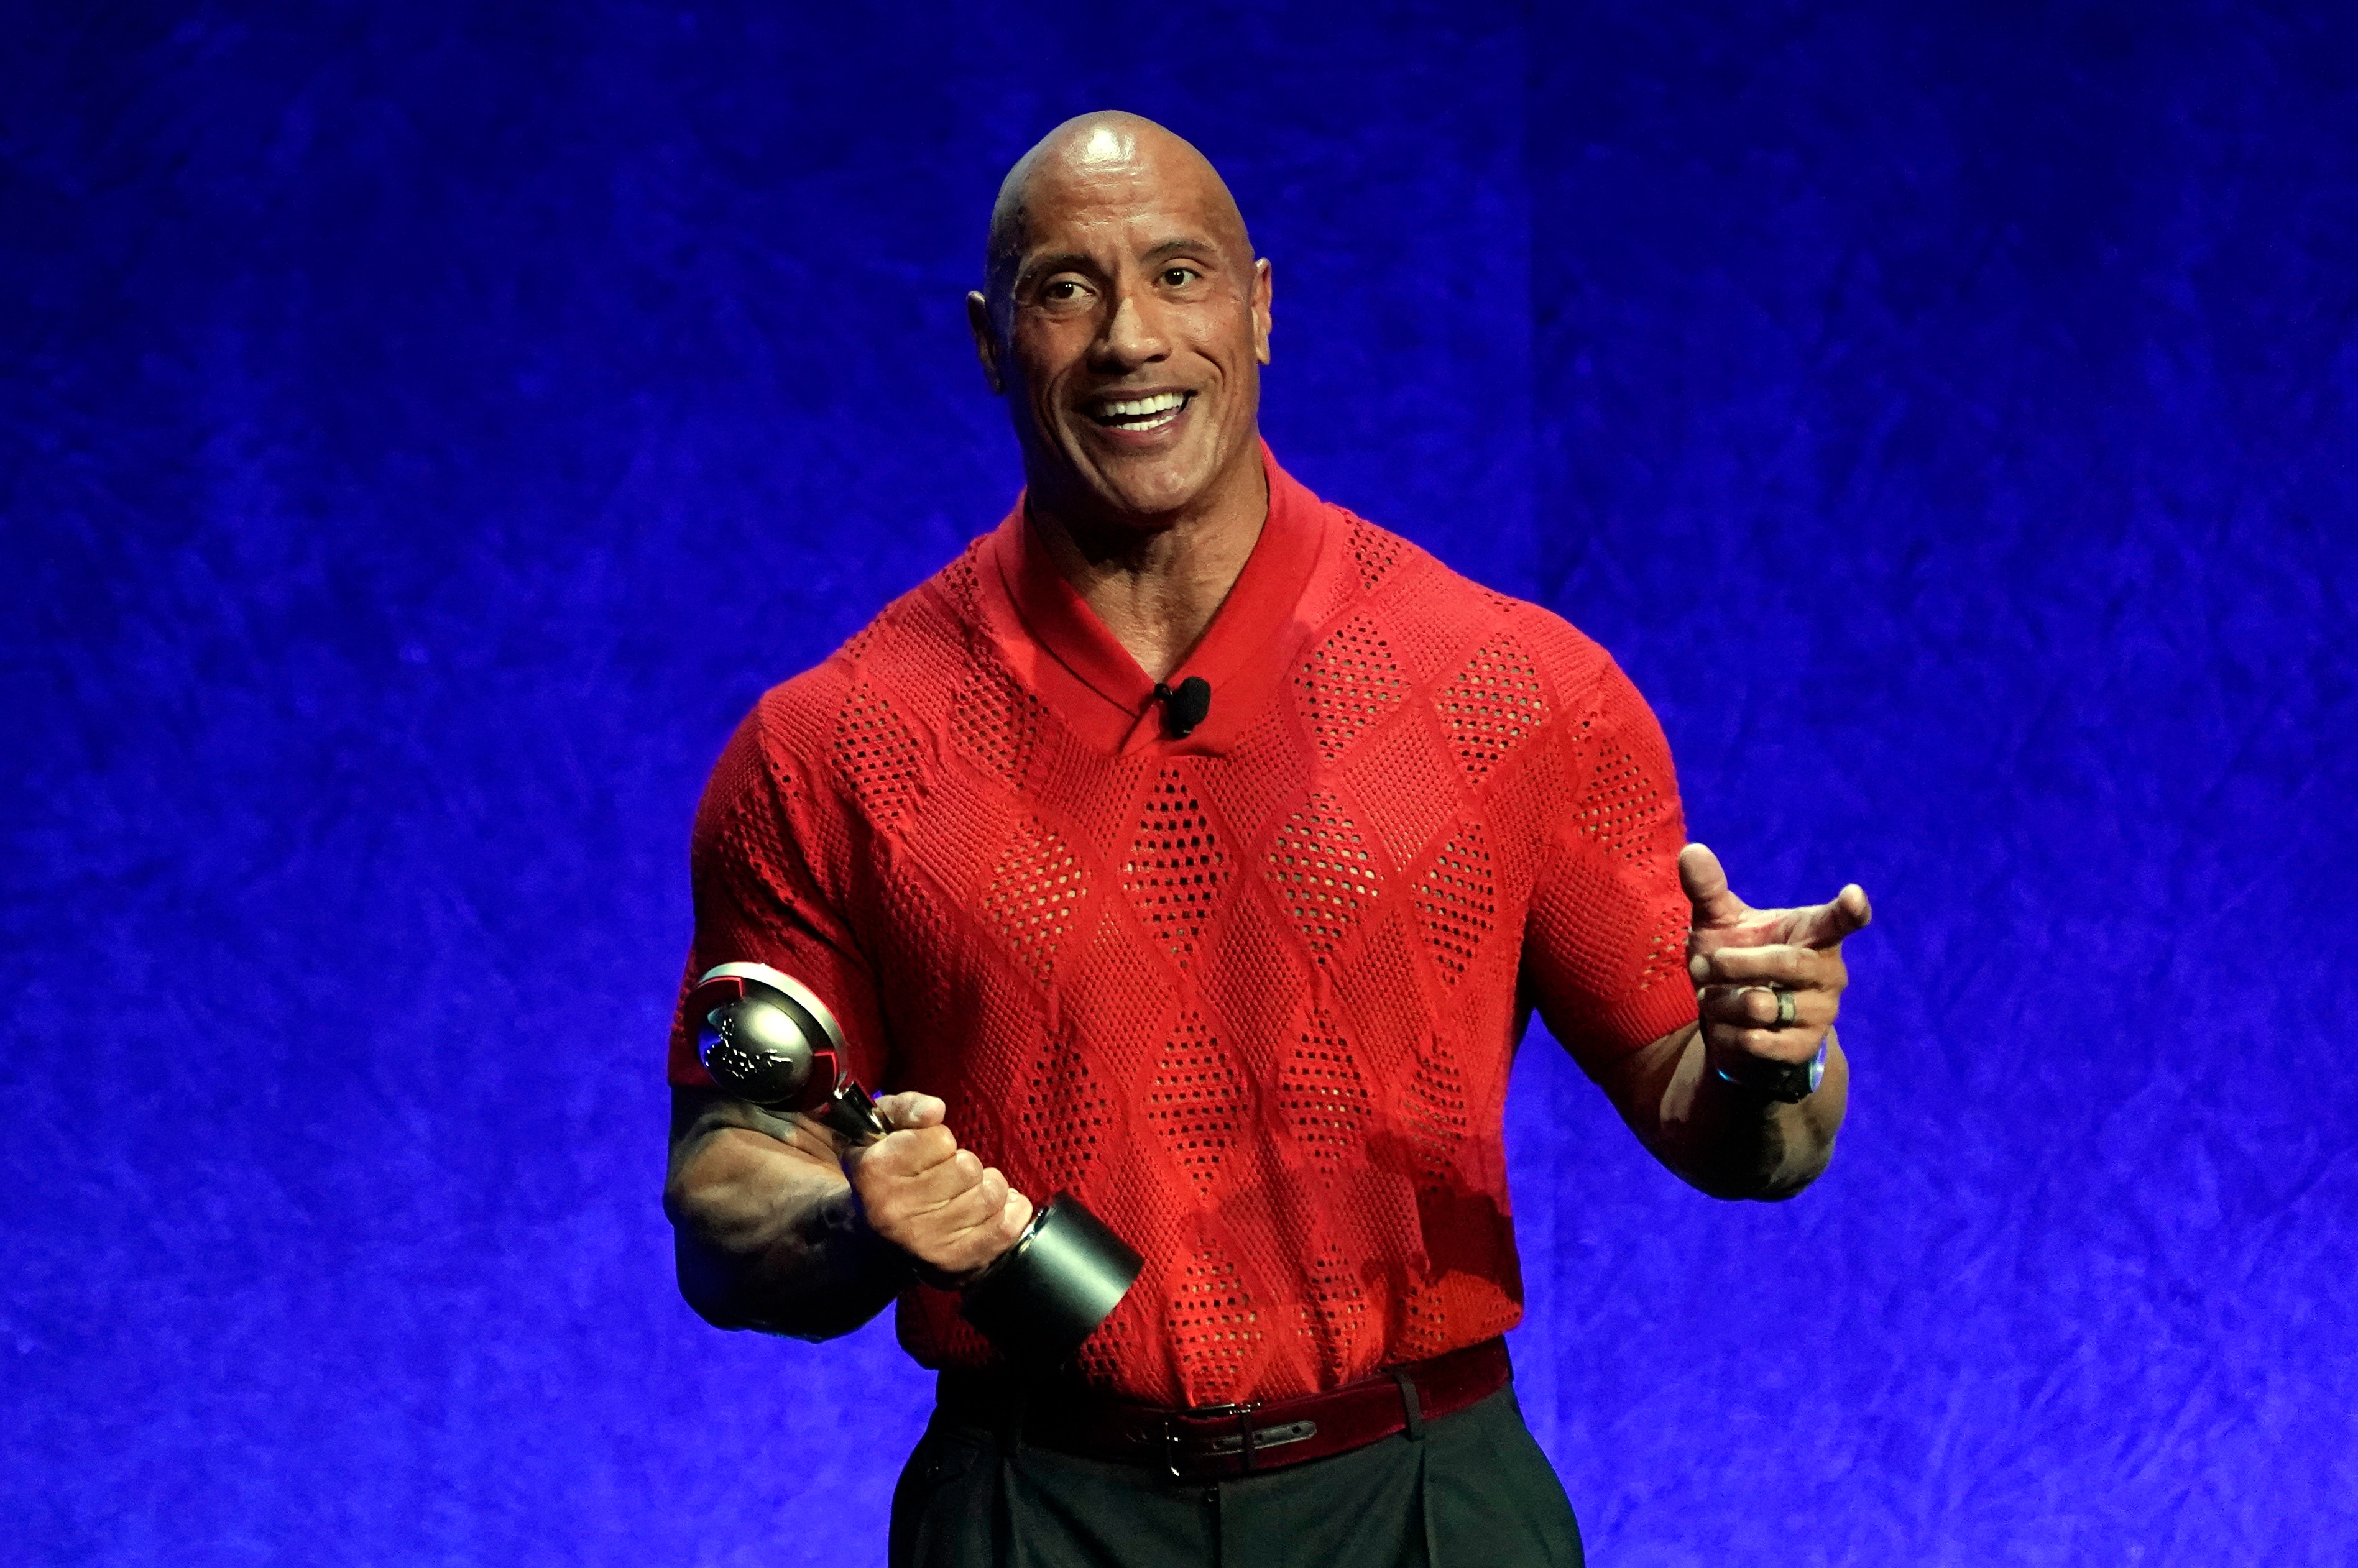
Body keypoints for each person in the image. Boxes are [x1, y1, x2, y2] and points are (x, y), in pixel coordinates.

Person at [663, 111, 1871, 1567]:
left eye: (1179, 275)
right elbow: (729, 1180)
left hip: (1422, 1501)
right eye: (1066, 289)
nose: (1128, 339)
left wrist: (1766, 1055)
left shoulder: (1517, 689)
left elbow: (1746, 1139)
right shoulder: (829, 743)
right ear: (990, 342)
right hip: (1031, 1505)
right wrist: (861, 1218)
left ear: (1260, 308)